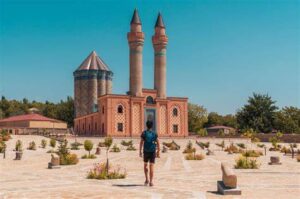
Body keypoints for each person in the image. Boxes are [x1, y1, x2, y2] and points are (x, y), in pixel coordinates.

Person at [139, 120, 160, 186]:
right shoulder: (154, 133)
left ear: (146, 125)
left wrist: (140, 151)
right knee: (152, 166)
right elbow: (158, 143)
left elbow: (141, 142)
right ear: (152, 126)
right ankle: (151, 182)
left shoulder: (144, 133)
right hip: (152, 151)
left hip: (146, 151)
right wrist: (158, 151)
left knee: (145, 165)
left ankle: (146, 179)